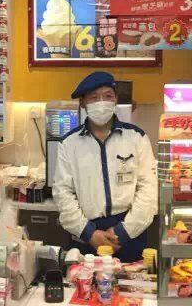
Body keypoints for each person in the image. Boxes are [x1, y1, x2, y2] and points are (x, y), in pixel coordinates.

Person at [52, 71, 157, 263]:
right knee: (84, 281)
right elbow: (63, 193)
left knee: (131, 281)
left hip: (130, 235)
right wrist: (89, 233)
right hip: (86, 236)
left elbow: (148, 190)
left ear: (115, 100)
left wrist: (123, 232)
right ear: (82, 103)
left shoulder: (136, 137)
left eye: (108, 96)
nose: (102, 103)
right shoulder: (69, 143)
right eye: (94, 98)